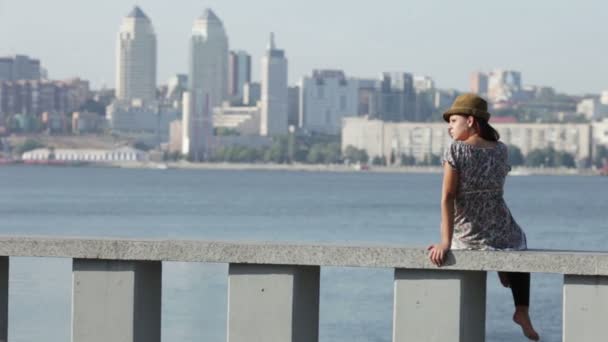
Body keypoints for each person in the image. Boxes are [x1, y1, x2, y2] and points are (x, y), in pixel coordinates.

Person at [427, 93, 540, 341]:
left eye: (453, 121)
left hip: (470, 234)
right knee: (519, 243)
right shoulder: (501, 150)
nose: (449, 127)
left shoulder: (456, 150)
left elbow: (448, 197)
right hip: (503, 230)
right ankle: (522, 309)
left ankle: (501, 264)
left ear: (470, 121)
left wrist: (444, 242)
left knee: (489, 241)